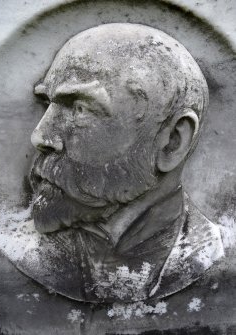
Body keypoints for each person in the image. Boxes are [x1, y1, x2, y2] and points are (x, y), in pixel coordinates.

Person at [25, 23, 224, 302]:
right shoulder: (15, 251)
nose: (41, 136)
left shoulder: (216, 256)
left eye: (79, 109)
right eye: (48, 105)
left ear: (172, 141)